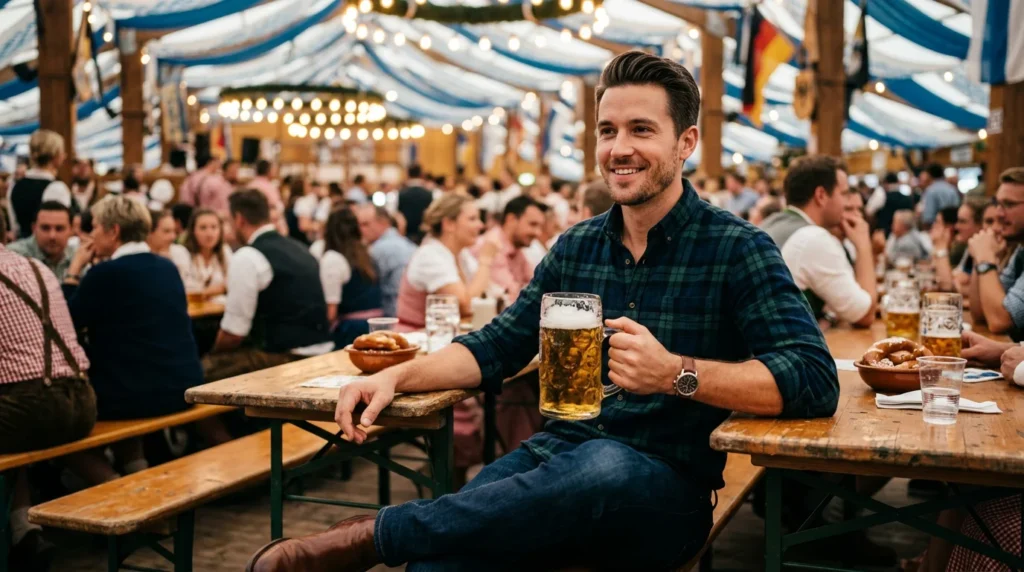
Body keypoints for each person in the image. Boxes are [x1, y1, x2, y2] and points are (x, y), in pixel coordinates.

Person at [246, 50, 839, 572]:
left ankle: (370, 537)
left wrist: (677, 374)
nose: (619, 148)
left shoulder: (737, 248)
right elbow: (498, 345)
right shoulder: (577, 245)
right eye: (607, 131)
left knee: (605, 464)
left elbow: (813, 379)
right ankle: (390, 540)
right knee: (440, 562)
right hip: (554, 463)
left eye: (641, 129)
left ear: (686, 142)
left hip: (663, 492)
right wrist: (394, 376)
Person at [0, 239, 95, 570]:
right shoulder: (36, 267)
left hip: (35, 408)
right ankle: (24, 530)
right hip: (82, 401)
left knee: (16, 424)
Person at [202, 190, 332, 382]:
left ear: (239, 219)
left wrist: (211, 351)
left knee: (199, 370)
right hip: (323, 350)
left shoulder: (247, 256)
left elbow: (233, 333)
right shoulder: (300, 248)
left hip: (286, 358)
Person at [768, 156, 876, 326]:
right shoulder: (812, 237)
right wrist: (863, 244)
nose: (846, 202)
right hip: (780, 349)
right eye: (844, 193)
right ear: (821, 195)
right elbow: (864, 314)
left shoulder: (771, 222)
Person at [395, 193, 497, 328]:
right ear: (448, 224)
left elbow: (486, 293)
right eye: (472, 219)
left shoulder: (462, 254)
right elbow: (465, 305)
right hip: (415, 340)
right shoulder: (429, 255)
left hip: (443, 337)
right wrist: (485, 260)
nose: (481, 225)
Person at [967, 167, 1024, 338]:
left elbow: (999, 320)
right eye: (998, 204)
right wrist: (981, 258)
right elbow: (980, 313)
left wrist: (985, 260)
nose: (998, 213)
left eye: (1009, 204)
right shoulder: (1021, 251)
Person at [319, 207, 383, 348]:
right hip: (375, 327)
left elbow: (331, 312)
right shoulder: (367, 254)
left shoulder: (333, 258)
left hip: (351, 333)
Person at [468, 195, 545, 302]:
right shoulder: (492, 244)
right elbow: (512, 297)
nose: (538, 233)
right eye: (532, 224)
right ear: (511, 219)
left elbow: (539, 284)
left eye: (540, 227)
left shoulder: (516, 249)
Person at [8, 130, 72, 240]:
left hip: (19, 247)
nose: (64, 156)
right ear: (55, 155)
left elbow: (15, 226)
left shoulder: (14, 184)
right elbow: (58, 228)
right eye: (62, 151)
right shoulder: (56, 188)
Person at [355, 204, 416, 317]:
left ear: (383, 223)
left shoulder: (377, 250)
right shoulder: (407, 244)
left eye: (365, 224)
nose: (360, 230)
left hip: (393, 316)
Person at [6, 201, 77, 281]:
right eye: (45, 228)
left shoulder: (77, 257)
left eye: (59, 229)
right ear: (34, 228)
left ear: (71, 230)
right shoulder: (14, 256)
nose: (52, 236)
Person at [932, 197, 988, 292]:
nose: (957, 226)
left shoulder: (986, 251)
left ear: (980, 225)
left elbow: (947, 285)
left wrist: (940, 247)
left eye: (962, 221)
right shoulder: (970, 247)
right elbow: (956, 279)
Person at [182, 208, 232, 297]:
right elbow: (185, 288)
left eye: (214, 227)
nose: (209, 233)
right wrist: (220, 289)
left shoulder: (225, 250)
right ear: (193, 231)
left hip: (220, 308)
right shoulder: (183, 253)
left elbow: (233, 282)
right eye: (203, 228)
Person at [865, 172, 916, 236]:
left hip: (885, 234)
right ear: (897, 181)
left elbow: (869, 212)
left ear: (885, 182)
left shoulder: (881, 196)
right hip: (906, 234)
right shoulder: (908, 198)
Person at [147, 209, 192, 281]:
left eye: (174, 231)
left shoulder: (181, 252)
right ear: (149, 232)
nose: (173, 237)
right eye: (166, 231)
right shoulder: (138, 257)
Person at [398, 164, 434, 244]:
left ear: (408, 174)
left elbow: (398, 215)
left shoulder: (401, 194)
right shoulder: (428, 193)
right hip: (423, 234)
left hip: (405, 234)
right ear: (421, 174)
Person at [918, 163, 961, 227]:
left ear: (929, 175)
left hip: (937, 227)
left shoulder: (930, 190)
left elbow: (928, 217)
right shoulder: (952, 189)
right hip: (953, 226)